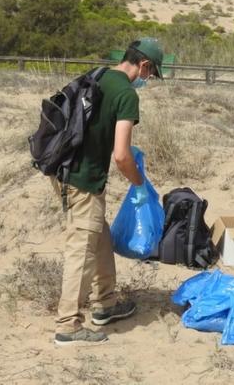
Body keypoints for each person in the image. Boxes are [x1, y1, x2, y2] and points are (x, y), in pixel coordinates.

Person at [51, 37, 164, 346]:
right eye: (151, 73)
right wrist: (139, 184)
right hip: (83, 180)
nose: (149, 79)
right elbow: (122, 155)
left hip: (63, 171)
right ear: (144, 65)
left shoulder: (99, 75)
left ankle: (105, 304)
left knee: (100, 237)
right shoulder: (127, 94)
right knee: (81, 249)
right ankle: (68, 325)